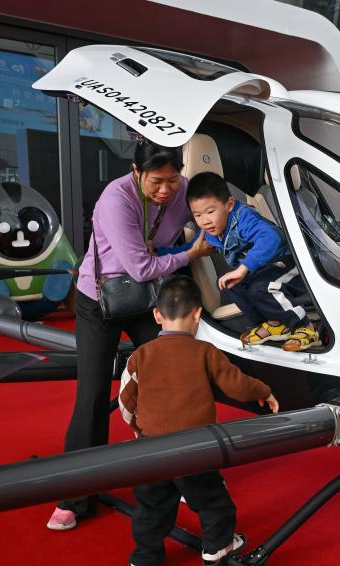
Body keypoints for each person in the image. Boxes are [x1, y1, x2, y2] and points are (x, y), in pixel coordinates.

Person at [47, 141, 214, 531]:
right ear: (137, 172)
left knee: (173, 382)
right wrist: (191, 254)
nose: (165, 190)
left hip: (147, 299)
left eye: (173, 180)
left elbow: (213, 212)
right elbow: (140, 267)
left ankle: (183, 476)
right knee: (91, 396)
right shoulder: (115, 200)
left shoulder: (182, 191)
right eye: (156, 181)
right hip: (100, 300)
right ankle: (75, 496)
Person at [117, 275, 279, 566]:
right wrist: (264, 391)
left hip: (151, 449)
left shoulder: (141, 355)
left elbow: (125, 398)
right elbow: (237, 385)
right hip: (196, 447)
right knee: (211, 499)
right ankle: (216, 547)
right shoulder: (205, 351)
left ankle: (144, 559)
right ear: (197, 314)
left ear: (157, 315)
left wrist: (138, 428)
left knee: (151, 505)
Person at [179, 171, 319, 351]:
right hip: (266, 270)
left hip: (290, 263)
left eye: (210, 212)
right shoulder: (209, 231)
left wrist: (242, 269)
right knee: (228, 284)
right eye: (197, 215)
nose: (205, 221)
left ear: (229, 205)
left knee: (262, 287)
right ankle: (271, 323)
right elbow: (188, 249)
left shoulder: (243, 217)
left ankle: (305, 327)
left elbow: (272, 237)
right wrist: (159, 254)